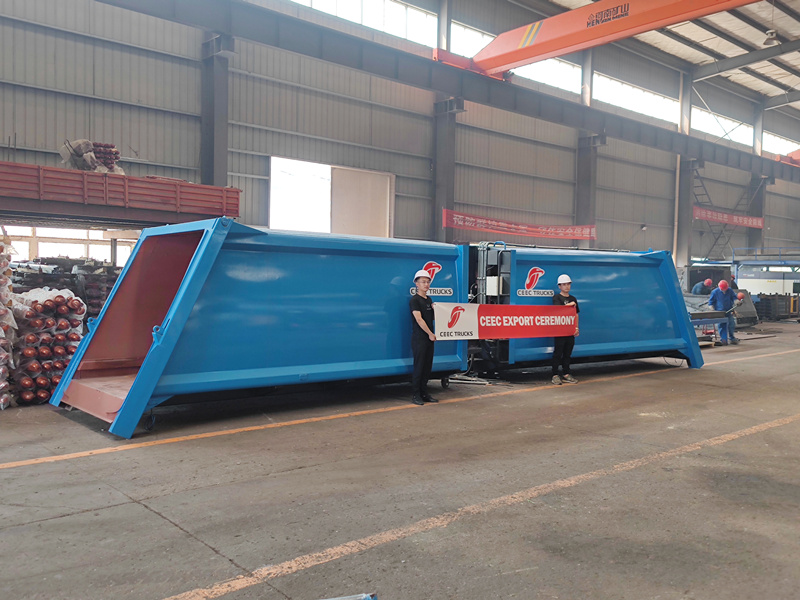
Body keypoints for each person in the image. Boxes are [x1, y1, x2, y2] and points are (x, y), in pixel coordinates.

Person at [409, 269, 438, 405]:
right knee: (419, 366)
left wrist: (435, 309)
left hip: (429, 339)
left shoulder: (429, 300)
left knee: (427, 367)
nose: (426, 284)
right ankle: (416, 395)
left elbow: (432, 318)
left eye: (428, 282)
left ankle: (424, 393)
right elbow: (419, 319)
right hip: (420, 338)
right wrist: (430, 334)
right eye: (423, 282)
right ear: (417, 284)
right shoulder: (414, 300)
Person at [551, 274, 580, 385]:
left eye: (568, 284)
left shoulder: (573, 299)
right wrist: (569, 305)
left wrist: (576, 327)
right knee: (558, 353)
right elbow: (558, 310)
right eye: (564, 284)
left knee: (567, 353)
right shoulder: (557, 298)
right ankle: (555, 375)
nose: (566, 286)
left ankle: (566, 373)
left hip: (569, 331)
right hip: (559, 331)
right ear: (559, 286)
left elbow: (575, 314)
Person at [708, 280, 740, 345]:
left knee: (731, 324)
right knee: (722, 326)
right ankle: (723, 339)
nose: (724, 291)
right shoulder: (715, 292)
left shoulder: (729, 290)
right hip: (720, 312)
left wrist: (736, 301)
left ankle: (732, 338)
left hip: (729, 311)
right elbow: (711, 301)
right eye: (723, 289)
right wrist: (711, 307)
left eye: (725, 289)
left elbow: (734, 297)